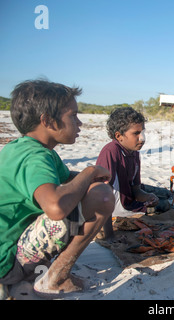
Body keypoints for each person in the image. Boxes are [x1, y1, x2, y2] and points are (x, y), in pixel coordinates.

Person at [0, 80, 115, 298]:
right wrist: (90, 172)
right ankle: (56, 278)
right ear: (48, 121)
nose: (79, 123)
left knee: (90, 188)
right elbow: (55, 208)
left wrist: (88, 176)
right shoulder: (35, 157)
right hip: (7, 261)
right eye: (73, 115)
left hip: (8, 247)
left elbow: (65, 177)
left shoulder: (22, 147)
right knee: (102, 196)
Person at [96, 107, 170, 240]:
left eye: (142, 132)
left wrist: (147, 197)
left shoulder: (134, 153)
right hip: (120, 208)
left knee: (166, 194)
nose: (142, 138)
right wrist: (109, 235)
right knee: (165, 206)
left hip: (130, 197)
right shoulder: (110, 152)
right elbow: (101, 195)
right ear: (119, 136)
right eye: (136, 133)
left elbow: (135, 189)